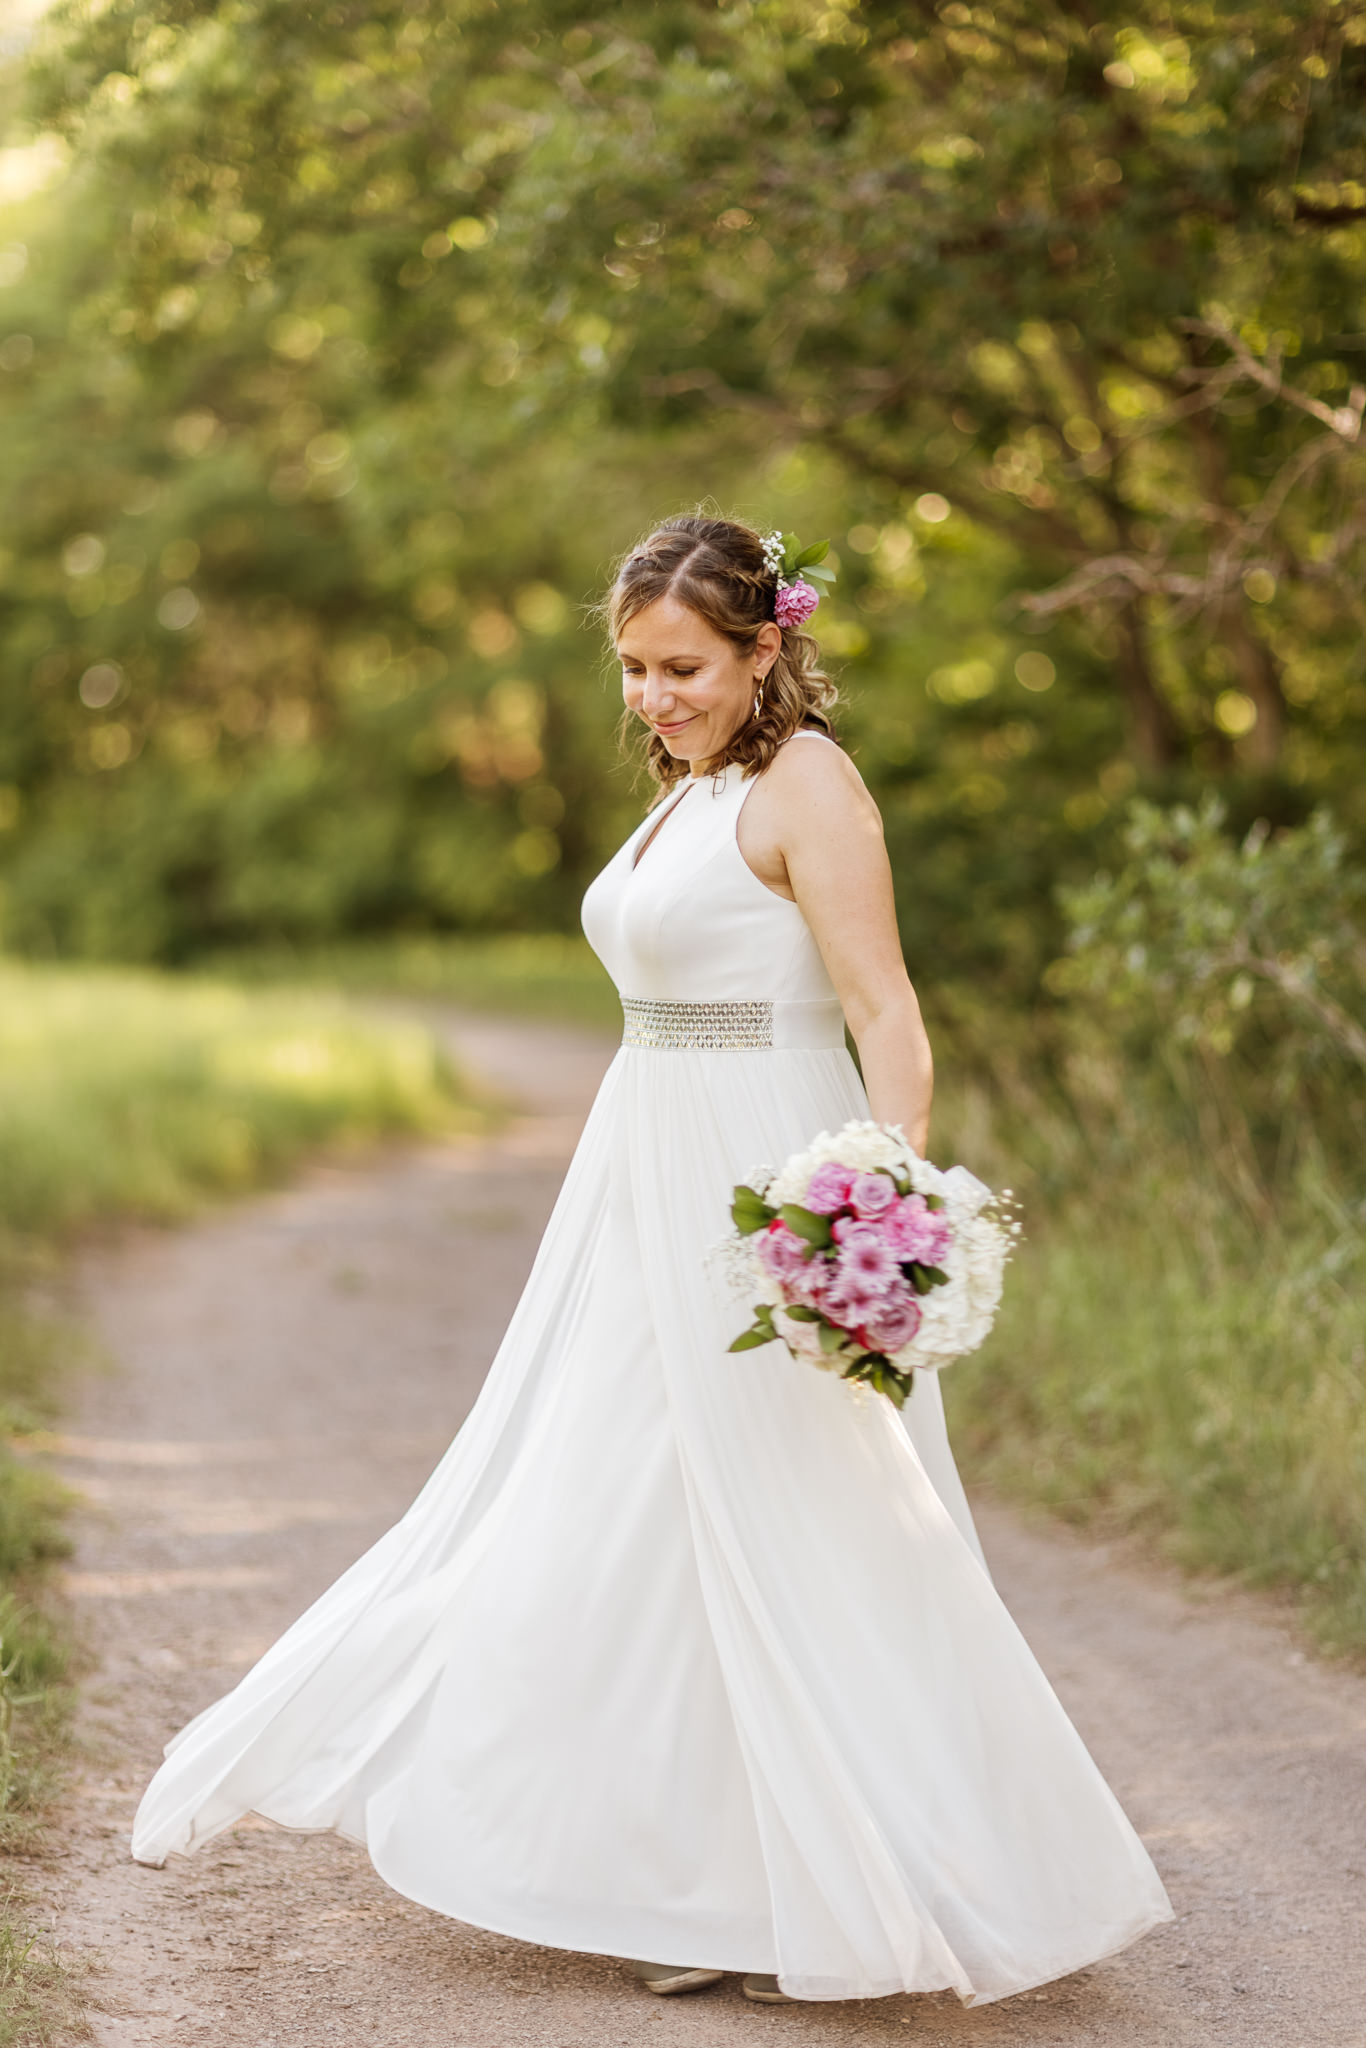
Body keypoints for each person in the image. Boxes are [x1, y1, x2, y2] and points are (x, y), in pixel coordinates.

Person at [132, 513, 1172, 2007]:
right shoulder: (690, 793)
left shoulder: (808, 784)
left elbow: (884, 1010)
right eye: (631, 668)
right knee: (635, 1507)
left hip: (767, 1186)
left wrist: (876, 1207)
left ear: (766, 647)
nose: (652, 695)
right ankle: (710, 1881)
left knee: (798, 1515)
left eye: (679, 665)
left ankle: (869, 1885)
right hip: (643, 1179)